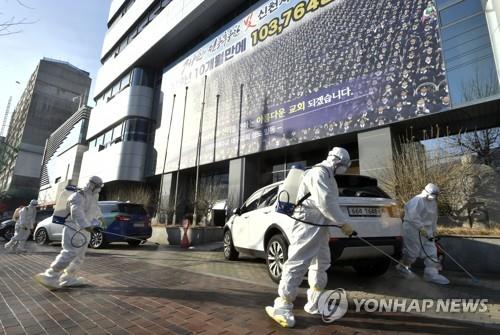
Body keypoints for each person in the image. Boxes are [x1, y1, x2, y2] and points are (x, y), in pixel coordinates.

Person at [265, 147, 354, 328]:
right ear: (337, 162)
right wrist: (343, 223)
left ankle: (314, 302)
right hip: (306, 224)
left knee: (321, 262)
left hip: (320, 226)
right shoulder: (318, 174)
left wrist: (339, 222)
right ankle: (282, 305)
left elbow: (330, 203)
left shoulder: (330, 177)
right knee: (298, 262)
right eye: (345, 166)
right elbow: (326, 203)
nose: (345, 169)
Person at [35, 176, 104, 290]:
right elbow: (76, 212)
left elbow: (94, 208)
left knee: (79, 256)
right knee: (70, 253)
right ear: (92, 185)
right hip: (73, 229)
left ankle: (69, 277)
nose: (98, 188)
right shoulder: (78, 196)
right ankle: (50, 275)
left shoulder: (93, 196)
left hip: (84, 231)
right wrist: (86, 225)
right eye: (97, 186)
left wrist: (100, 218)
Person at [396, 183, 449, 285]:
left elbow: (434, 218)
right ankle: (403, 268)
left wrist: (434, 230)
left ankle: (431, 274)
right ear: (426, 192)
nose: (433, 197)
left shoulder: (433, 202)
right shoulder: (418, 200)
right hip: (413, 229)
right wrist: (421, 228)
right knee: (412, 253)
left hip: (427, 230)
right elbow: (413, 217)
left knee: (431, 252)